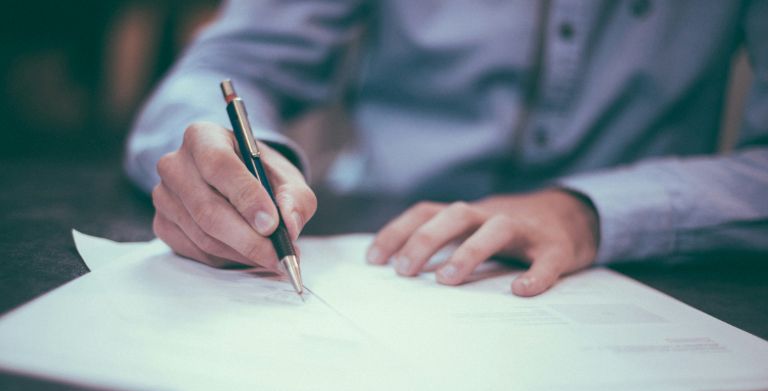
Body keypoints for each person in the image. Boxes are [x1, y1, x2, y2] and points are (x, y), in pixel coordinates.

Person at [126, 0, 768, 297]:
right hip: (380, 250)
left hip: (652, 274)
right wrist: (233, 163)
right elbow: (227, 64)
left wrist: (589, 210)